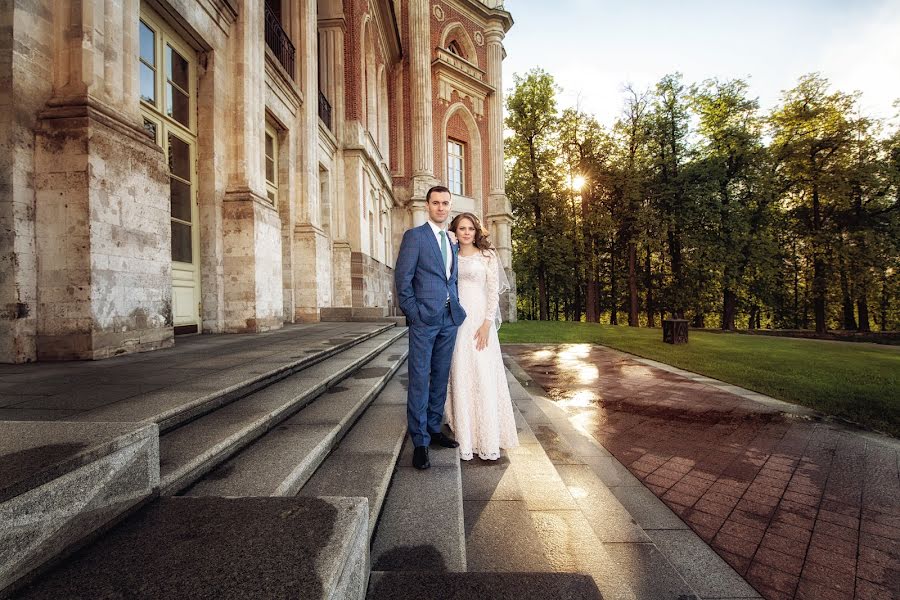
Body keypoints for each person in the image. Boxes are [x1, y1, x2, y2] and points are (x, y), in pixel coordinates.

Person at [394, 186, 467, 470]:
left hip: (449, 319)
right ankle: (420, 441)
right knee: (420, 377)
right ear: (427, 205)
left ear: (450, 206)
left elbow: (451, 279)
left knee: (440, 377)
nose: (441, 207)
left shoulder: (451, 240)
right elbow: (403, 280)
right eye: (435, 203)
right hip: (424, 319)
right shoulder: (415, 237)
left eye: (445, 203)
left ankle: (434, 429)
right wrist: (415, 314)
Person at [445, 212, 519, 461]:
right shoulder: (450, 255)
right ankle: (464, 430)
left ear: (476, 232)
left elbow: (492, 292)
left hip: (479, 320)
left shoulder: (487, 255)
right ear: (455, 231)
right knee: (461, 370)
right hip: (457, 321)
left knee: (483, 372)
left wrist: (488, 323)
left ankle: (488, 433)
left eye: (470, 229)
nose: (467, 232)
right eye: (461, 228)